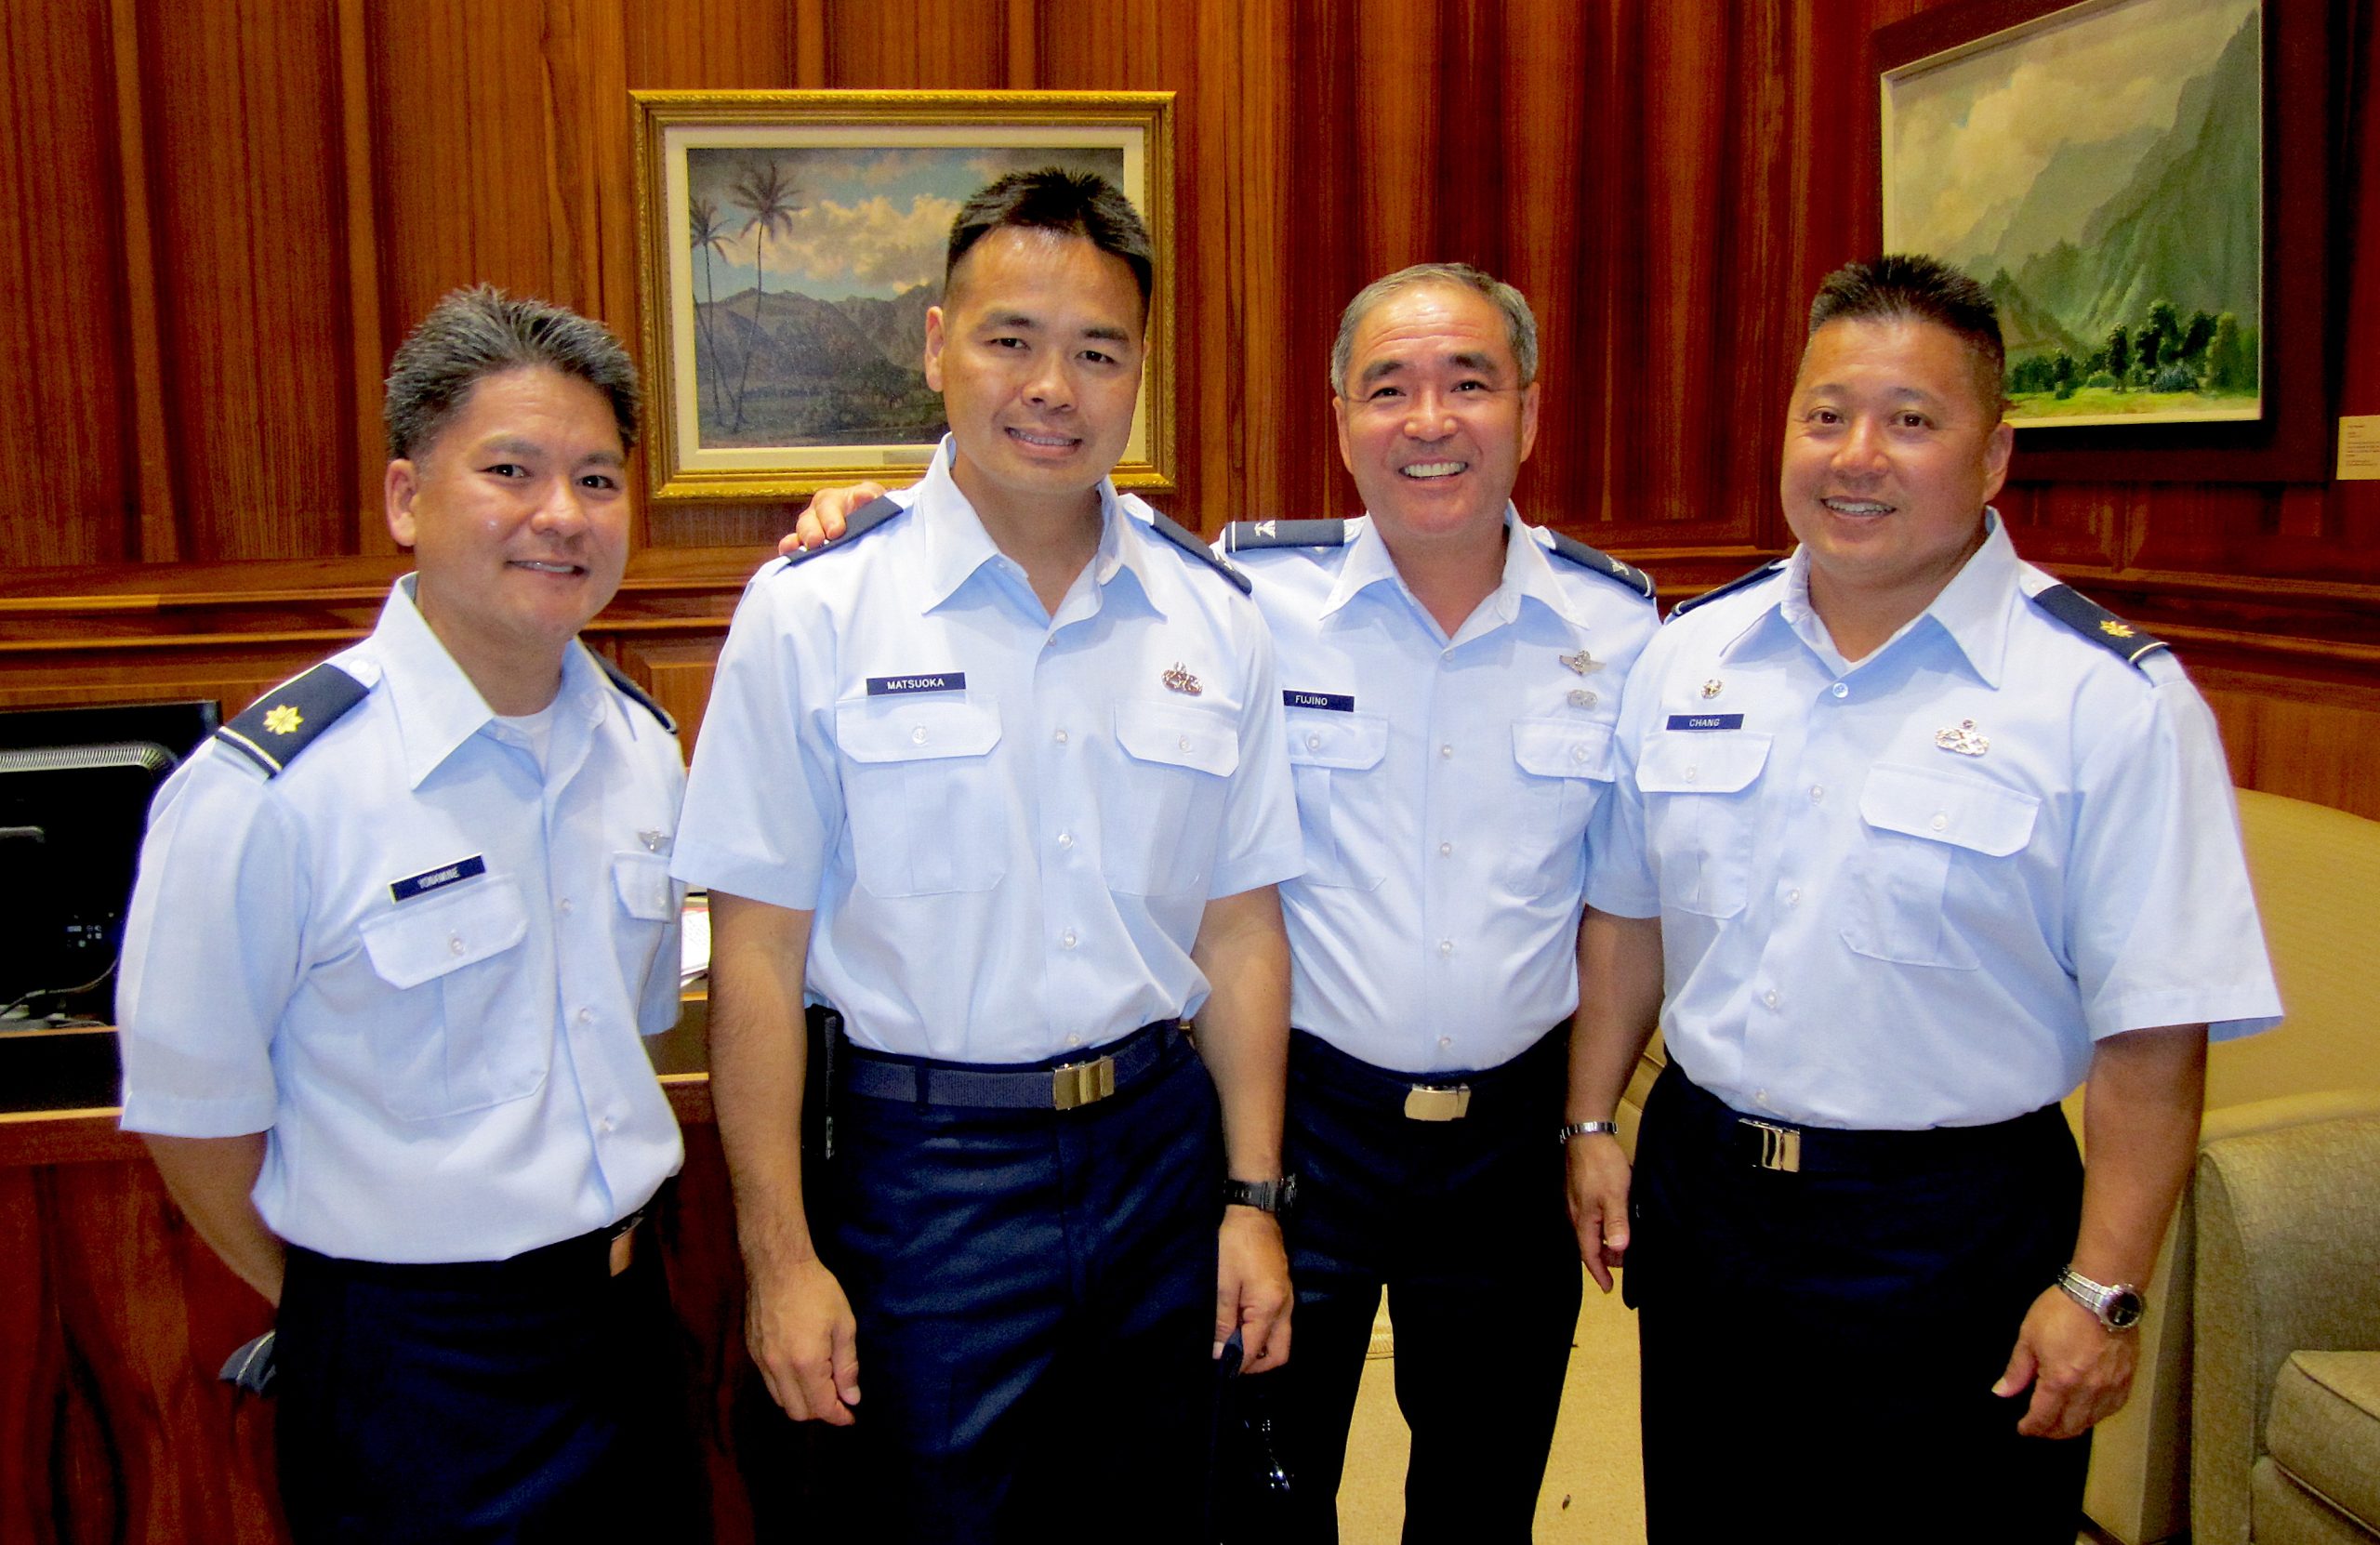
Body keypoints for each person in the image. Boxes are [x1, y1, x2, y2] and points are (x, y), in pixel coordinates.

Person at [791, 261, 1661, 1539]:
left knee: (1487, 1481)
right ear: (1338, 419)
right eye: (1388, 389)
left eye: (1467, 384)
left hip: (1509, 1138)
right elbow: (1046, 533)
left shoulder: (1622, 629)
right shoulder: (1251, 602)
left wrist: (1591, 1115)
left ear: (1527, 412)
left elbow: (1620, 904)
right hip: (1303, 1121)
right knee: (1259, 1486)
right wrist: (871, 516)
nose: (1428, 422)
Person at [1567, 254, 2282, 1541]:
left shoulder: (2105, 703)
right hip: (1709, 1208)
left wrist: (2105, 1287)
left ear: (1996, 455)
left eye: (1912, 420)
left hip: (1953, 1239)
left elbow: (2154, 1031)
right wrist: (1587, 1120)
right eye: (1827, 414)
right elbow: (1628, 918)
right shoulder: (1688, 656)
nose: (1858, 456)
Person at [670, 167, 1302, 1543]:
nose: (1051, 386)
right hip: (922, 1172)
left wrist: (1252, 1200)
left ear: (1141, 371)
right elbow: (760, 961)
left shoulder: (1216, 618)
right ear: (935, 344)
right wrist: (779, 1259)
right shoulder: (816, 612)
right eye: (1009, 338)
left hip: (1156, 1149)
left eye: (1098, 350)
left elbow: (1242, 930)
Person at [115, 285, 700, 1542]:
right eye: (512, 469)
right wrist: (338, 1303)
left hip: (626, 1328)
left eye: (598, 480)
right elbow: (195, 1119)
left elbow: (634, 1023)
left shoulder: (644, 750)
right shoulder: (272, 793)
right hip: (413, 1373)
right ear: (404, 498)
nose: (562, 515)